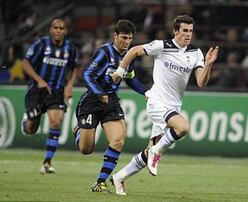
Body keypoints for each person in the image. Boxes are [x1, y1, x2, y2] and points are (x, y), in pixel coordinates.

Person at [111, 15, 219, 195]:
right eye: (184, 30)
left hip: (174, 106)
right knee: (183, 127)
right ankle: (157, 152)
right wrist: (120, 71)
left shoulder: (195, 53)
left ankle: (119, 177)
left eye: (191, 31)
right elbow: (134, 51)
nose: (188, 34)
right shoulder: (162, 46)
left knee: (148, 152)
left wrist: (208, 65)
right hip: (157, 101)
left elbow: (201, 82)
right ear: (175, 31)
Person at [73, 19, 147, 193]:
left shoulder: (129, 56)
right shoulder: (104, 53)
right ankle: (78, 131)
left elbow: (130, 79)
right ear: (115, 35)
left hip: (111, 101)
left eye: (129, 38)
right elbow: (87, 75)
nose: (126, 42)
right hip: (92, 100)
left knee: (118, 140)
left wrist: (146, 92)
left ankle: (100, 182)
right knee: (86, 149)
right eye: (123, 37)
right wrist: (99, 93)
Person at [21, 18, 78, 174]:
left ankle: (47, 162)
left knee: (55, 122)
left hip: (57, 92)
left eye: (62, 28)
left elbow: (74, 68)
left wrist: (69, 86)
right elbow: (25, 63)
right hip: (37, 91)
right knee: (32, 128)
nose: (59, 30)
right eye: (56, 28)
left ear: (66, 31)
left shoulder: (70, 48)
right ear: (51, 30)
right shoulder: (41, 44)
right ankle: (26, 122)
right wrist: (39, 80)